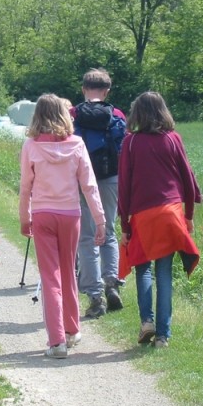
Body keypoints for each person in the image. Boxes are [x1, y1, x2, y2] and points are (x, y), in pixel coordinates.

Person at [19, 94, 106, 359]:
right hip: (71, 215)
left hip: (43, 215)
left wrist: (25, 217)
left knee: (50, 277)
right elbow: (89, 186)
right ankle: (72, 329)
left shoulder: (31, 146)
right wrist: (100, 220)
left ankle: (56, 341)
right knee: (69, 272)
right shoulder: (77, 144)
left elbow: (25, 187)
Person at [118, 91, 201, 348]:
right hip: (171, 213)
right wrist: (188, 216)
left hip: (143, 216)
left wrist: (125, 226)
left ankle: (147, 322)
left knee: (143, 268)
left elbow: (124, 187)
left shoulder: (131, 143)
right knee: (163, 271)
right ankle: (163, 336)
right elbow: (188, 180)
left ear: (137, 114)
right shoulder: (173, 139)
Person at [70, 68, 126, 318]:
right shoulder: (116, 114)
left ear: (83, 89)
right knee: (109, 231)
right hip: (110, 177)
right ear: (107, 91)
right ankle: (111, 282)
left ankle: (95, 297)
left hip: (82, 180)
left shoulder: (72, 114)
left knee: (87, 236)